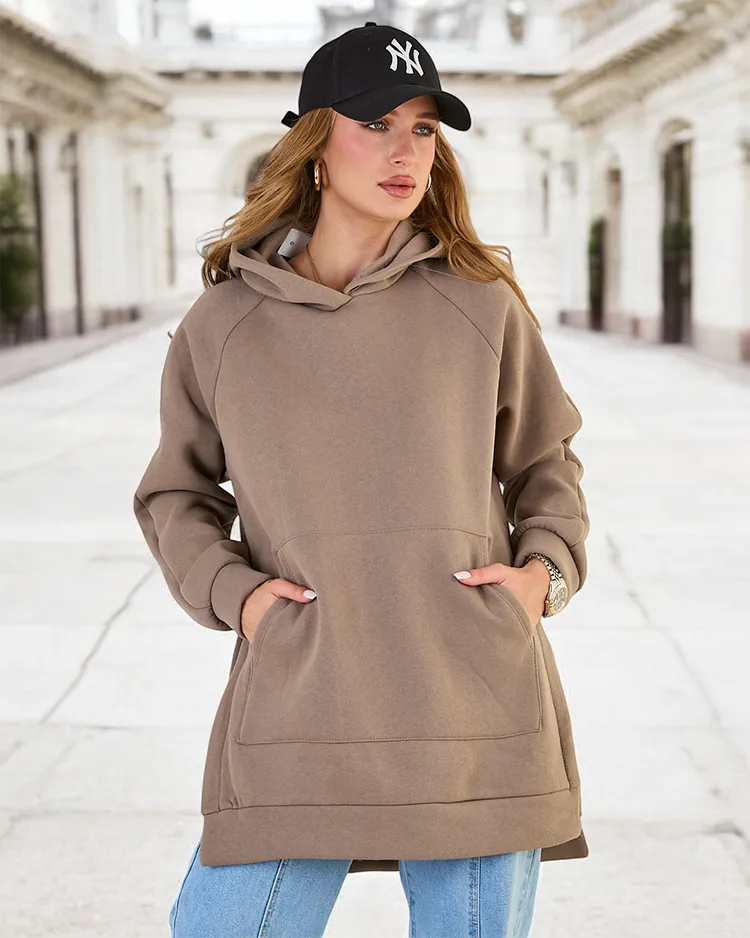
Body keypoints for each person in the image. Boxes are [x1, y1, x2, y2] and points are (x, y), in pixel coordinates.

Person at [133, 20, 591, 938]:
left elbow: (547, 463)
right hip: (305, 694)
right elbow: (175, 495)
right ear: (314, 143)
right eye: (376, 123)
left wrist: (543, 577)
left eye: (423, 128)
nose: (404, 151)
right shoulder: (223, 326)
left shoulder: (481, 304)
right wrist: (239, 597)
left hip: (473, 698)